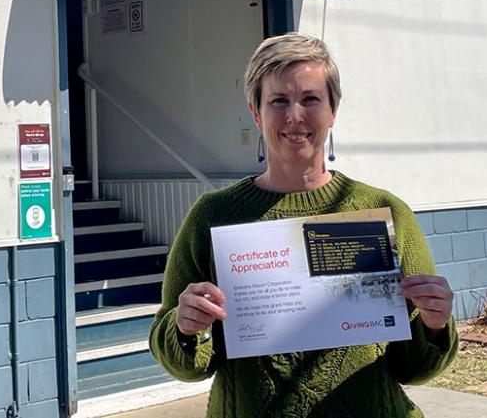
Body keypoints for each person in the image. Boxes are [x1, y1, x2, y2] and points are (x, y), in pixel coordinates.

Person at [149, 33, 457, 417]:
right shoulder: (214, 216)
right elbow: (183, 363)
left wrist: (434, 324)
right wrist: (184, 327)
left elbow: (414, 368)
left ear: (333, 111)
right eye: (279, 100)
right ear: (256, 112)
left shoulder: (382, 210)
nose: (295, 116)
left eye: (311, 99)